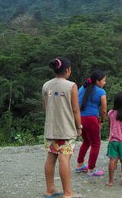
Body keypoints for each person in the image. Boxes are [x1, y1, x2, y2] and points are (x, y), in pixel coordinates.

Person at [42, 57, 82, 198]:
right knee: (64, 159)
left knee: (51, 158)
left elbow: (45, 107)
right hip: (66, 129)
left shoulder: (46, 85)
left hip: (50, 128)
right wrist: (79, 127)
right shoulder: (71, 86)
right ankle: (67, 193)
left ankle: (49, 190)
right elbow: (76, 110)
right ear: (67, 70)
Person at [75, 70, 107, 177]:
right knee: (95, 144)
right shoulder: (101, 92)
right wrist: (102, 120)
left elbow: (76, 103)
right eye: (103, 80)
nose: (104, 83)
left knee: (86, 141)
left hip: (80, 118)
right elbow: (103, 109)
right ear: (97, 81)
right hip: (91, 119)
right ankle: (91, 169)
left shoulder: (82, 88)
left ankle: (79, 165)